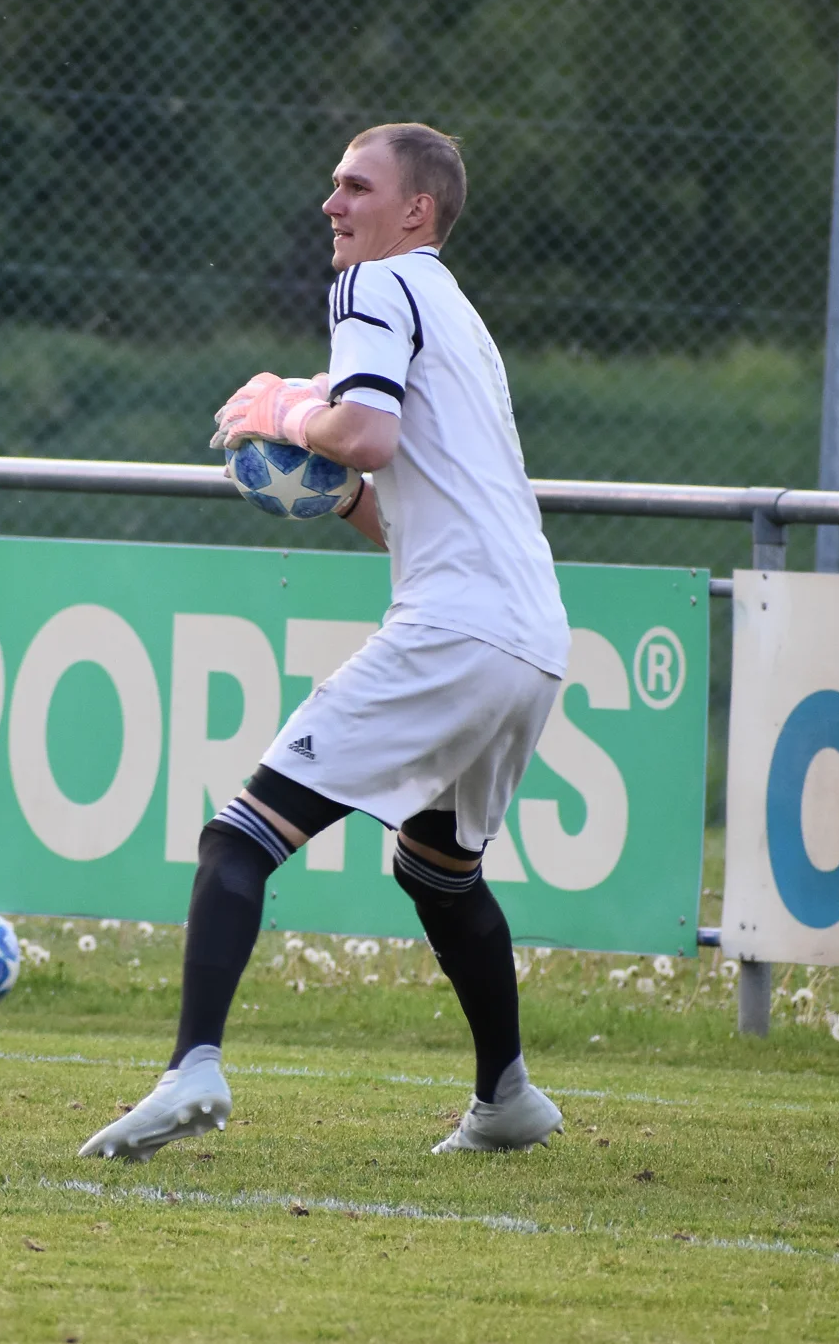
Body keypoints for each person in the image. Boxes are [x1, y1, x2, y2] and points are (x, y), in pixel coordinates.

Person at [80, 123, 573, 1160]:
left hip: (457, 629)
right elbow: (400, 495)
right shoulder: (460, 323)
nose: (330, 205)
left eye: (355, 186)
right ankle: (506, 1099)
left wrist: (287, 407)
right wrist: (338, 493)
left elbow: (364, 431)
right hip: (528, 636)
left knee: (238, 836)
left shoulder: (377, 287)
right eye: (332, 186)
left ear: (415, 214)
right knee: (436, 872)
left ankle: (191, 1071)